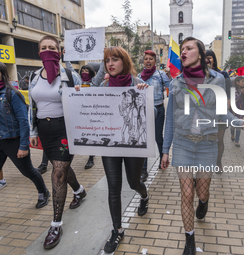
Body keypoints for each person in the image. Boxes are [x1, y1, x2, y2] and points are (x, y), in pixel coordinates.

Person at [161, 37, 244, 255]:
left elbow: (222, 113)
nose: (183, 51)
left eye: (189, 48)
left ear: (200, 55)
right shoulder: (176, 82)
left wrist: (240, 122)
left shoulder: (218, 80)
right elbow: (170, 120)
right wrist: (165, 150)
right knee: (186, 194)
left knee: (201, 193)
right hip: (183, 143)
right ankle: (189, 240)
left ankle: (204, 202)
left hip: (207, 144)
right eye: (182, 49)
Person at [28, 35, 86, 249]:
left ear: (60, 51)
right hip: (45, 129)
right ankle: (79, 191)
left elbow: (84, 102)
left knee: (58, 172)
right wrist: (33, 130)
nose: (48, 51)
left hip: (65, 129)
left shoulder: (70, 75)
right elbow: (31, 106)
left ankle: (56, 224)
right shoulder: (34, 76)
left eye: (52, 47)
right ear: (39, 52)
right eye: (43, 48)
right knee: (59, 168)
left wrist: (81, 94)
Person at [0, 60, 50, 235]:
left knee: (27, 171)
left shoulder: (12, 94)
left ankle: (44, 191)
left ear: (2, 74)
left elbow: (23, 121)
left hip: (13, 141)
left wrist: (23, 146)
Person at [98, 46, 150, 254]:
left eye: (115, 59)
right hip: (110, 144)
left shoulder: (138, 84)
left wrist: (145, 97)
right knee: (113, 187)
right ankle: (117, 230)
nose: (110, 64)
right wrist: (77, 94)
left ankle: (144, 195)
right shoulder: (102, 85)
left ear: (125, 62)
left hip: (132, 142)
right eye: (107, 60)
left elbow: (149, 118)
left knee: (133, 181)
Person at [65, 58, 106, 169]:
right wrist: (67, 58)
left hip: (92, 112)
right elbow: (71, 70)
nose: (84, 72)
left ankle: (91, 158)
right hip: (80, 112)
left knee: (91, 134)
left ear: (91, 72)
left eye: (87, 70)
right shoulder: (78, 81)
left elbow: (102, 70)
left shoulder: (95, 81)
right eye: (82, 70)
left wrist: (103, 58)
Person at [137, 50, 170, 181]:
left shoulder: (161, 75)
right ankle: (143, 169)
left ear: (155, 61)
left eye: (151, 59)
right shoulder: (139, 76)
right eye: (146, 59)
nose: (148, 61)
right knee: (145, 140)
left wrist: (171, 76)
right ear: (143, 61)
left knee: (158, 138)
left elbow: (171, 88)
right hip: (144, 111)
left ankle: (163, 161)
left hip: (159, 110)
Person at [205, 50, 231, 174]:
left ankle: (218, 162)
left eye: (209, 58)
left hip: (220, 113)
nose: (207, 61)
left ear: (213, 59)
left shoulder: (223, 74)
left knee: (219, 140)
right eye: (204, 58)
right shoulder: (199, 74)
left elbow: (228, 95)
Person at [230, 77, 244, 147]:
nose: (243, 82)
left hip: (241, 110)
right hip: (232, 110)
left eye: (243, 81)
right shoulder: (232, 90)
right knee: (233, 125)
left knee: (239, 125)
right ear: (237, 82)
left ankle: (237, 141)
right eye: (242, 81)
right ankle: (232, 134)